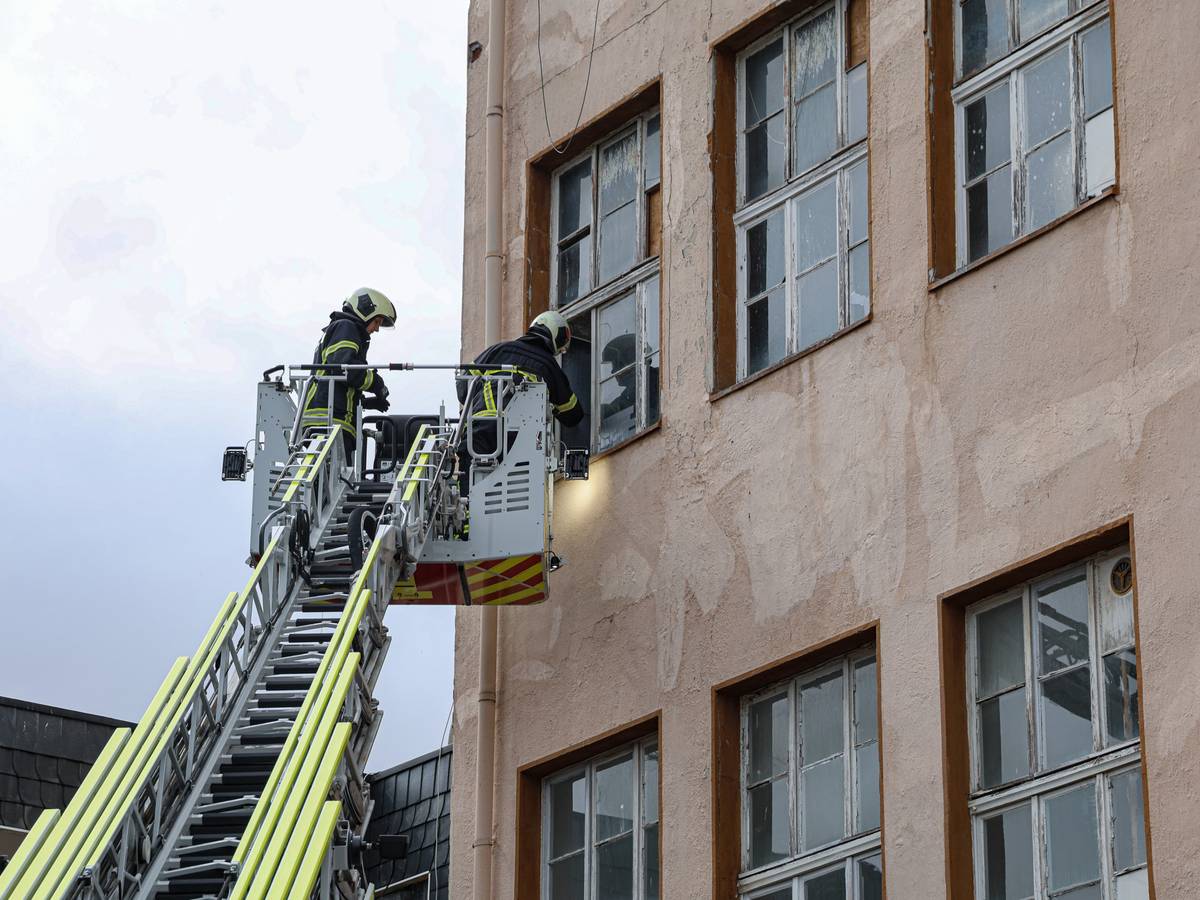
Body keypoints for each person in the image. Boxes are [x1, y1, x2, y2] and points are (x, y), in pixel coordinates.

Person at [457, 310, 584, 473]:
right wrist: (553, 405)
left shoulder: (498, 350)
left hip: (478, 432)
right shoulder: (549, 366)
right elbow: (573, 414)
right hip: (519, 442)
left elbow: (462, 389)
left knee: (468, 491)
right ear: (555, 336)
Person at [300, 288, 396, 461]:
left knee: (329, 483)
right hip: (329, 422)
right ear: (365, 311)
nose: (376, 329)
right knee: (336, 480)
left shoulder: (342, 329)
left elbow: (339, 384)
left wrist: (365, 403)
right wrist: (376, 383)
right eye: (377, 322)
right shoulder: (346, 327)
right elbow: (344, 368)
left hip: (328, 420)